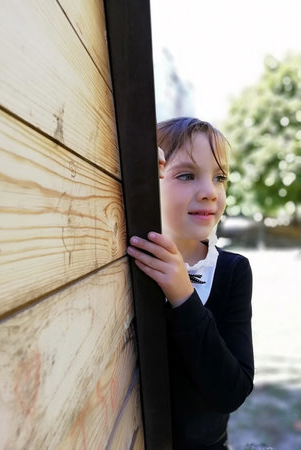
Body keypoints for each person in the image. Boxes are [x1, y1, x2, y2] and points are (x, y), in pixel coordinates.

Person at [127, 117, 254, 449]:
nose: (210, 192)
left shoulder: (233, 271)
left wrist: (183, 296)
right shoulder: (129, 257)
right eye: (186, 175)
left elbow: (233, 391)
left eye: (219, 177)